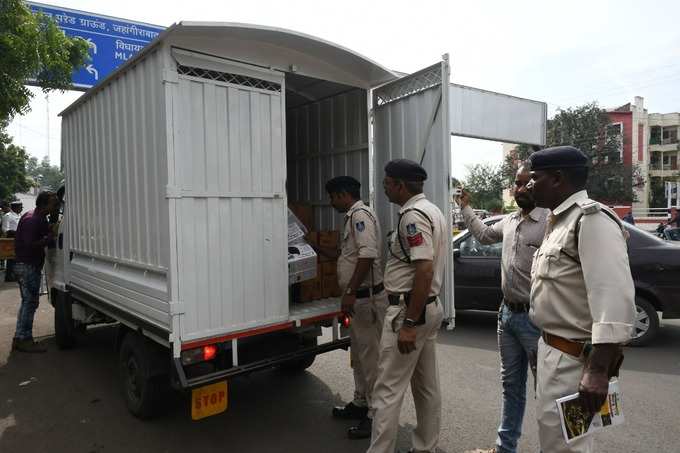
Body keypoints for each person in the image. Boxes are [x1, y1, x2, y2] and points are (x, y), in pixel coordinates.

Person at [527, 146, 635, 453]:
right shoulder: (558, 221)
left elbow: (613, 297)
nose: (529, 185)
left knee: (566, 446)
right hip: (552, 350)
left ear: (558, 179)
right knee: (553, 439)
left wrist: (599, 370)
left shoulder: (591, 220)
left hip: (574, 361)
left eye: (536, 178)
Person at [459, 162, 549, 453]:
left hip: (536, 321)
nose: (521, 188)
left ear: (537, 185)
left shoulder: (551, 221)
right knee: (511, 387)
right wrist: (466, 208)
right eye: (517, 183)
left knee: (548, 391)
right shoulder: (510, 221)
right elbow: (484, 235)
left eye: (527, 183)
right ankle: (504, 448)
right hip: (507, 316)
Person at [367, 159, 447, 453]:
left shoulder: (412, 216)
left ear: (400, 185)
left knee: (387, 389)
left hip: (408, 312)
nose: (385, 188)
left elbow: (424, 269)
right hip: (426, 307)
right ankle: (425, 446)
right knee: (426, 386)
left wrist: (409, 324)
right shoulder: (433, 210)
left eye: (388, 183)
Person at [323, 176, 389, 439]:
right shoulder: (353, 216)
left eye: (332, 197)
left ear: (342, 195)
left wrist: (350, 291)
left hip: (366, 299)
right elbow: (348, 255)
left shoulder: (359, 215)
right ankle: (360, 403)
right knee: (359, 358)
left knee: (371, 361)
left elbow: (367, 254)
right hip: (359, 300)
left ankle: (375, 416)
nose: (330, 202)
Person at [12, 192, 58, 353]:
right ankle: (24, 339)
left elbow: (44, 230)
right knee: (30, 303)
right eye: (53, 204)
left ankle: (19, 337)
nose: (55, 208)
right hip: (27, 266)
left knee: (27, 302)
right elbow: (30, 244)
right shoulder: (32, 220)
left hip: (28, 265)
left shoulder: (37, 217)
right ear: (45, 204)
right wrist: (50, 237)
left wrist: (50, 229)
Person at [3, 201, 23, 282]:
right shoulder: (8, 216)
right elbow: (5, 229)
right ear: (15, 207)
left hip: (19, 239)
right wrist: (17, 232)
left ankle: (16, 275)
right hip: (11, 239)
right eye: (20, 207)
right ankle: (9, 276)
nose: (21, 209)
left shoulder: (19, 215)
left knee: (17, 258)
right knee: (11, 258)